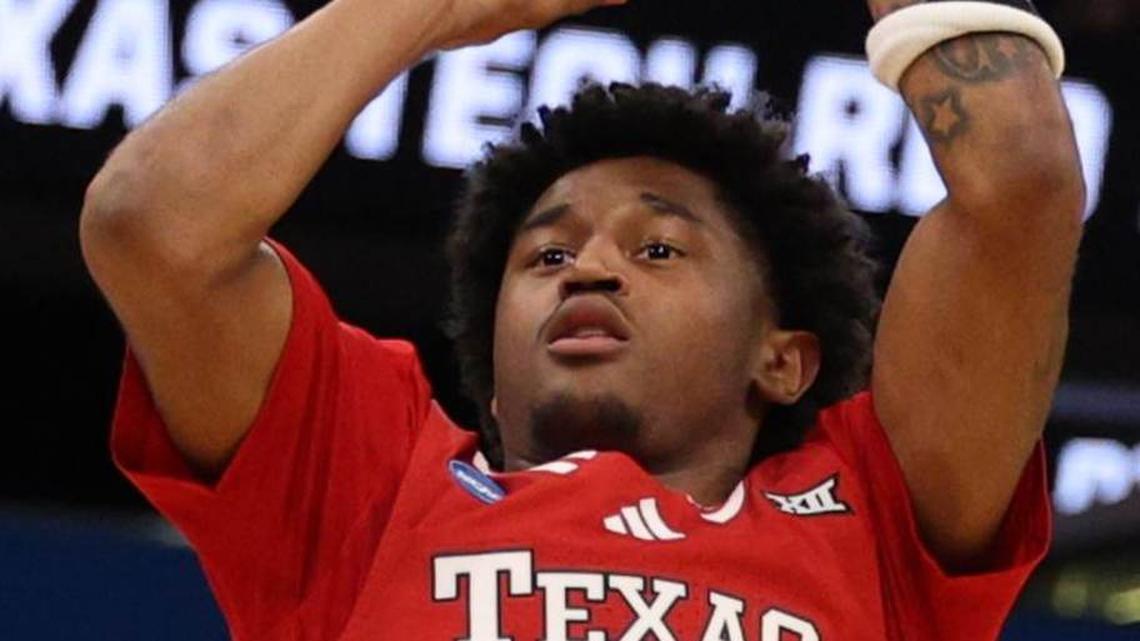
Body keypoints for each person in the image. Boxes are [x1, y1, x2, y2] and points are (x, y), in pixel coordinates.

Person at [79, 0, 1085, 638]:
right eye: (547, 253)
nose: (588, 266)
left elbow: (1023, 180)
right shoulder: (372, 482)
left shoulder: (873, 510)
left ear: (782, 357)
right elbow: (153, 225)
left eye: (658, 248)